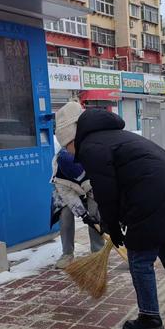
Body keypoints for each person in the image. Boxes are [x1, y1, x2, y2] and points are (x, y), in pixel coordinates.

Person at [62, 106, 165, 329]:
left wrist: (112, 225)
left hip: (150, 196)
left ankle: (149, 318)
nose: (70, 153)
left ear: (72, 137)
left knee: (139, 259)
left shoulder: (91, 146)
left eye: (67, 146)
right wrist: (116, 221)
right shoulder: (115, 137)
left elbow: (106, 191)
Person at [51, 102, 104, 269]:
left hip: (91, 188)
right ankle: (67, 253)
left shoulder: (90, 153)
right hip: (68, 193)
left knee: (95, 215)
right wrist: (82, 214)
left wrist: (92, 216)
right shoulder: (61, 170)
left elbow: (99, 186)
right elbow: (68, 195)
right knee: (65, 216)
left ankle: (98, 252)